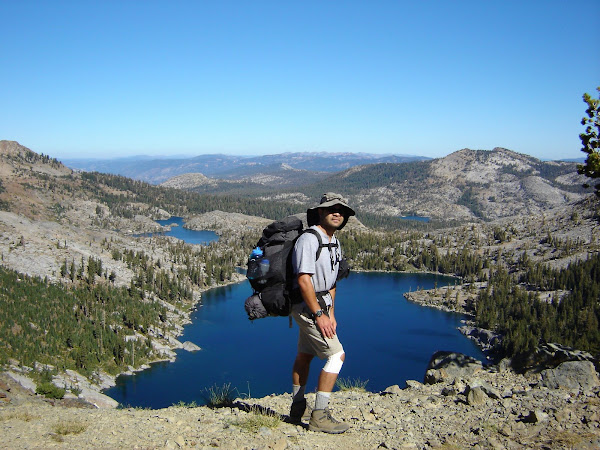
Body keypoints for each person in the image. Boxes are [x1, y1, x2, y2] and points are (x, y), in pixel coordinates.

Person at [288, 192, 355, 434]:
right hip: (308, 306)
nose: (337, 213)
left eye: (342, 211)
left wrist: (332, 312)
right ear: (320, 212)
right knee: (336, 355)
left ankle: (298, 408)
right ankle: (319, 415)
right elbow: (304, 279)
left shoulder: (334, 241)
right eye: (331, 209)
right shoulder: (309, 239)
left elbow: (332, 281)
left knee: (305, 355)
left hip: (321, 305)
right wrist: (319, 314)